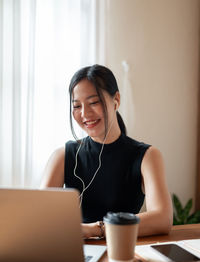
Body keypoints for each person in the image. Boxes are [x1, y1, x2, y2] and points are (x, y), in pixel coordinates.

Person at [40, 64, 173, 238]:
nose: (85, 114)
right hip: (75, 254)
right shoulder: (63, 156)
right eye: (77, 106)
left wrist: (97, 229)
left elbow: (162, 219)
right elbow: (40, 218)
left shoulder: (147, 156)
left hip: (124, 252)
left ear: (116, 100)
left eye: (93, 102)